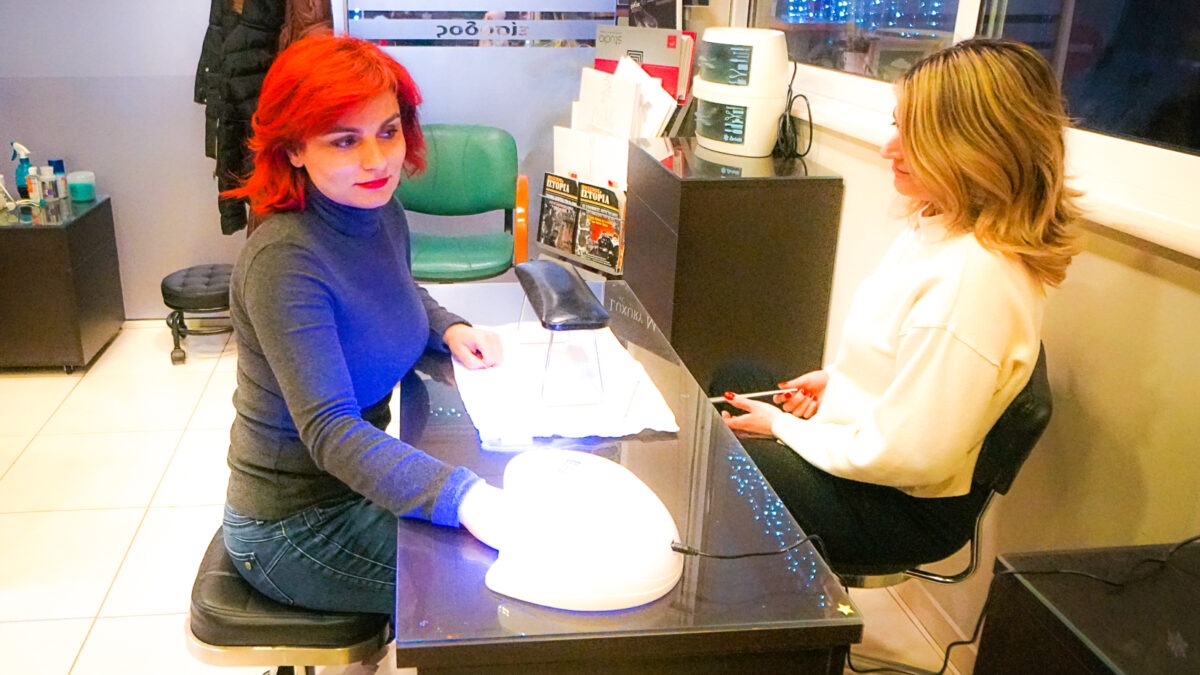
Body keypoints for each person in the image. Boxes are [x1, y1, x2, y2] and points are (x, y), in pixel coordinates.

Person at [721, 39, 1081, 569]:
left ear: (979, 150)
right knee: (735, 379)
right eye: (897, 125)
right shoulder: (940, 222)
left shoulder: (973, 278)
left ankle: (774, 613)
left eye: (917, 137)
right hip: (882, 457)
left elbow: (909, 455)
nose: (889, 149)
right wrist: (841, 385)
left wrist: (783, 429)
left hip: (900, 507)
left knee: (724, 463)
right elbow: (909, 364)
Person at [219, 34, 507, 614]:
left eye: (388, 132)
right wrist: (465, 497)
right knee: (502, 589)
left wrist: (448, 327)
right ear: (294, 149)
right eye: (345, 140)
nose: (377, 160)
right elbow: (331, 431)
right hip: (294, 525)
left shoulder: (378, 210)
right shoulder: (284, 261)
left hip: (357, 487)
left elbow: (395, 290)